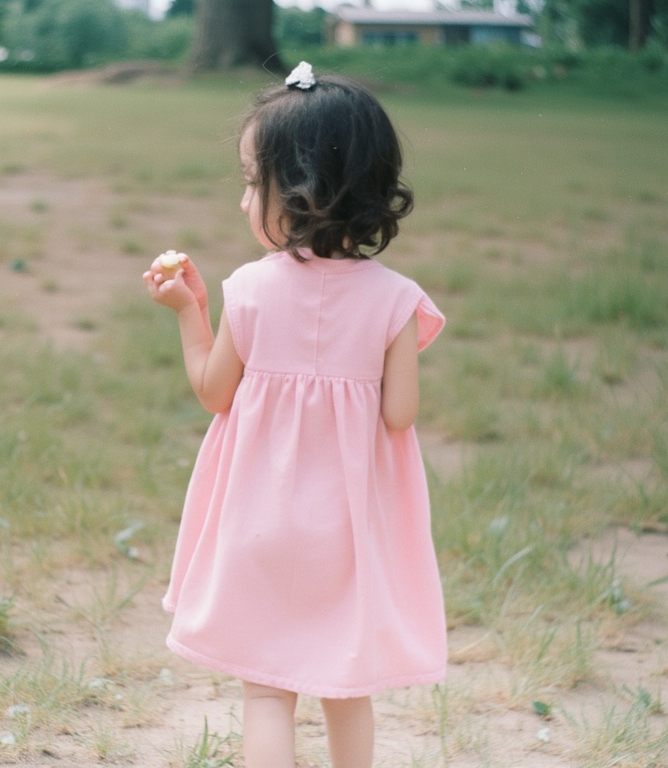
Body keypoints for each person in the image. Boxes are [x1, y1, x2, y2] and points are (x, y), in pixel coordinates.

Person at [143, 62, 447, 768]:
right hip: (347, 533)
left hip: (259, 524)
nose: (243, 198)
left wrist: (189, 312)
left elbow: (214, 393)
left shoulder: (247, 291)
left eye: (254, 181)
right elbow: (400, 414)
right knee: (347, 686)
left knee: (266, 695)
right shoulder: (397, 299)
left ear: (303, 192)